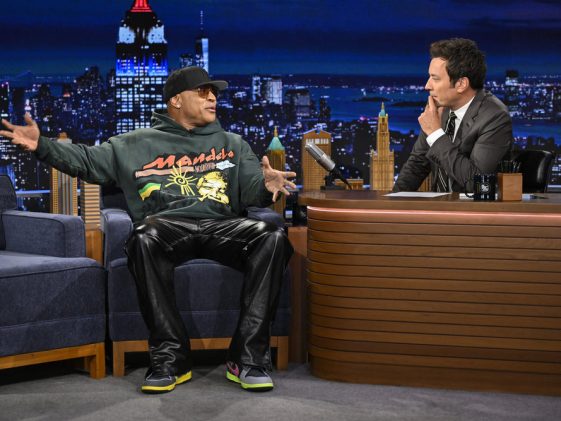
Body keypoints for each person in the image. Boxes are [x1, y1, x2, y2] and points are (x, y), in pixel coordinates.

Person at [1, 66, 296, 394]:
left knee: (272, 237)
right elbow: (85, 160)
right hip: (166, 226)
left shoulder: (233, 143)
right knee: (143, 237)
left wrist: (266, 185)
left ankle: (247, 357)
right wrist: (42, 146)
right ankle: (171, 358)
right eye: (203, 91)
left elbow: (252, 188)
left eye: (214, 92)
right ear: (176, 100)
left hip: (222, 225)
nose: (212, 97)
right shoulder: (133, 144)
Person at [393, 38, 513, 192]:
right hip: (439, 205)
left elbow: (478, 184)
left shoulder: (494, 116)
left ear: (461, 84)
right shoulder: (440, 109)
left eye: (435, 78)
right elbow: (416, 165)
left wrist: (436, 134)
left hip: (471, 206)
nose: (427, 85)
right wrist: (391, 200)